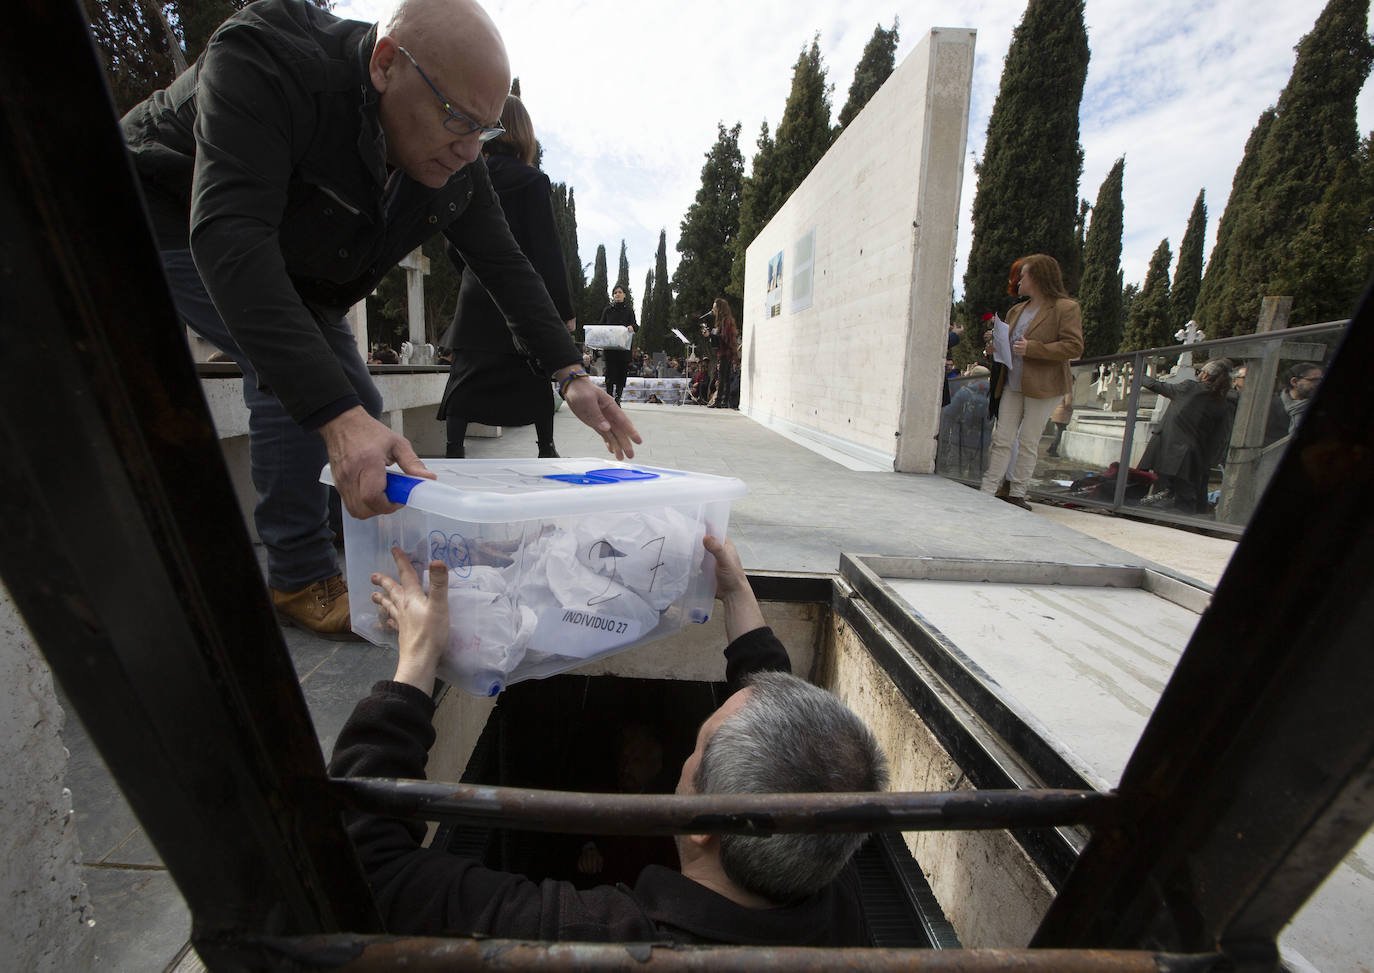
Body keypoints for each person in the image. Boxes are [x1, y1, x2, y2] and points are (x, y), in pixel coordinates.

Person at [120, 0, 640, 636]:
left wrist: (570, 373)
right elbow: (230, 238)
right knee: (308, 393)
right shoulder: (267, 55)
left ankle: (344, 547)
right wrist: (335, 418)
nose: (470, 149)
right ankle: (299, 575)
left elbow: (508, 267)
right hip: (168, 212)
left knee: (355, 397)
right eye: (456, 119)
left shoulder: (457, 162)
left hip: (292, 260)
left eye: (484, 129)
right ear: (386, 64)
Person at [328, 537, 889, 944]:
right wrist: (738, 594)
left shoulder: (592, 941)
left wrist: (417, 661)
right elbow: (785, 723)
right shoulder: (830, 886)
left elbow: (367, 867)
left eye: (697, 748)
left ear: (703, 830)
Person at [436, 95, 575, 460]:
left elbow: (452, 241)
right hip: (521, 295)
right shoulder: (532, 180)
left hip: (475, 293)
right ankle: (546, 447)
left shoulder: (464, 172)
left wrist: (472, 275)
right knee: (531, 376)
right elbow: (546, 250)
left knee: (466, 378)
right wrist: (561, 310)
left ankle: (454, 449)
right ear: (525, 133)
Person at [979, 255, 1083, 510]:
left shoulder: (1065, 308)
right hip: (1012, 382)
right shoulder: (1017, 310)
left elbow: (1074, 346)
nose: (1018, 281)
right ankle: (987, 489)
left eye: (1023, 275)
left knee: (1028, 440)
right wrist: (995, 346)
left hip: (1044, 385)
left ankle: (1018, 493)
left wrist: (1034, 348)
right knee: (1002, 438)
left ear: (1037, 277)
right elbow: (1010, 347)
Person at [1138, 359, 1235, 514]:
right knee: (1186, 497)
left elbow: (1158, 386)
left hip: (1166, 449)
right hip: (1193, 457)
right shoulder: (1222, 402)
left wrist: (1139, 376)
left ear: (1205, 375)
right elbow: (1219, 437)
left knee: (1161, 492)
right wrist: (1209, 461)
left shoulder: (1189, 388)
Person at [599, 286, 637, 404]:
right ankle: (609, 399)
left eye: (620, 292)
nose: (617, 294)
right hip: (610, 349)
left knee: (621, 374)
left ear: (624, 295)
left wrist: (632, 327)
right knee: (610, 375)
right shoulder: (608, 310)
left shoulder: (629, 310)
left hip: (623, 349)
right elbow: (601, 325)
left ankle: (618, 399)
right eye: (615, 292)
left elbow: (635, 325)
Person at [709, 299, 740, 409]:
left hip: (725, 353)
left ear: (719, 308)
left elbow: (725, 339)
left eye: (715, 307)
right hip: (726, 353)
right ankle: (724, 401)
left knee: (723, 378)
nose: (713, 310)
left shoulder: (726, 321)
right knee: (725, 378)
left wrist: (711, 335)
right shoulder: (726, 320)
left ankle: (719, 401)